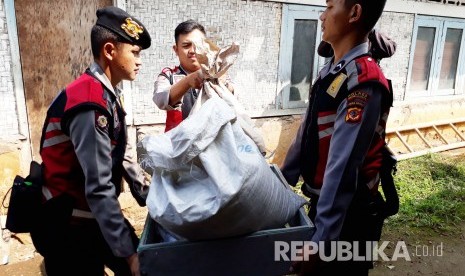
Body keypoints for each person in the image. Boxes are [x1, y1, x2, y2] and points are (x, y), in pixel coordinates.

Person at [30, 6, 151, 276]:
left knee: (145, 261)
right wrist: (129, 254)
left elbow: (125, 156)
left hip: (92, 216)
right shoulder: (89, 103)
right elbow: (97, 187)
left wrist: (151, 197)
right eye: (134, 52)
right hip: (68, 226)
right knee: (133, 262)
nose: (139, 61)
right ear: (109, 51)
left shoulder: (109, 94)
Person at [281, 0, 392, 275]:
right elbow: (306, 133)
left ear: (354, 13)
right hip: (325, 206)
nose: (322, 15)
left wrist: (321, 242)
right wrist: (280, 186)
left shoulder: (363, 81)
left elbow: (342, 168)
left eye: (330, 7)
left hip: (349, 218)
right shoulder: (332, 71)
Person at [153, 20, 233, 132]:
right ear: (176, 50)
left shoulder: (217, 73)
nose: (192, 51)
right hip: (178, 143)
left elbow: (234, 96)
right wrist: (187, 81)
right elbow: (160, 100)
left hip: (213, 142)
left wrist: (222, 83)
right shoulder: (168, 74)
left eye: (198, 45)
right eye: (186, 46)